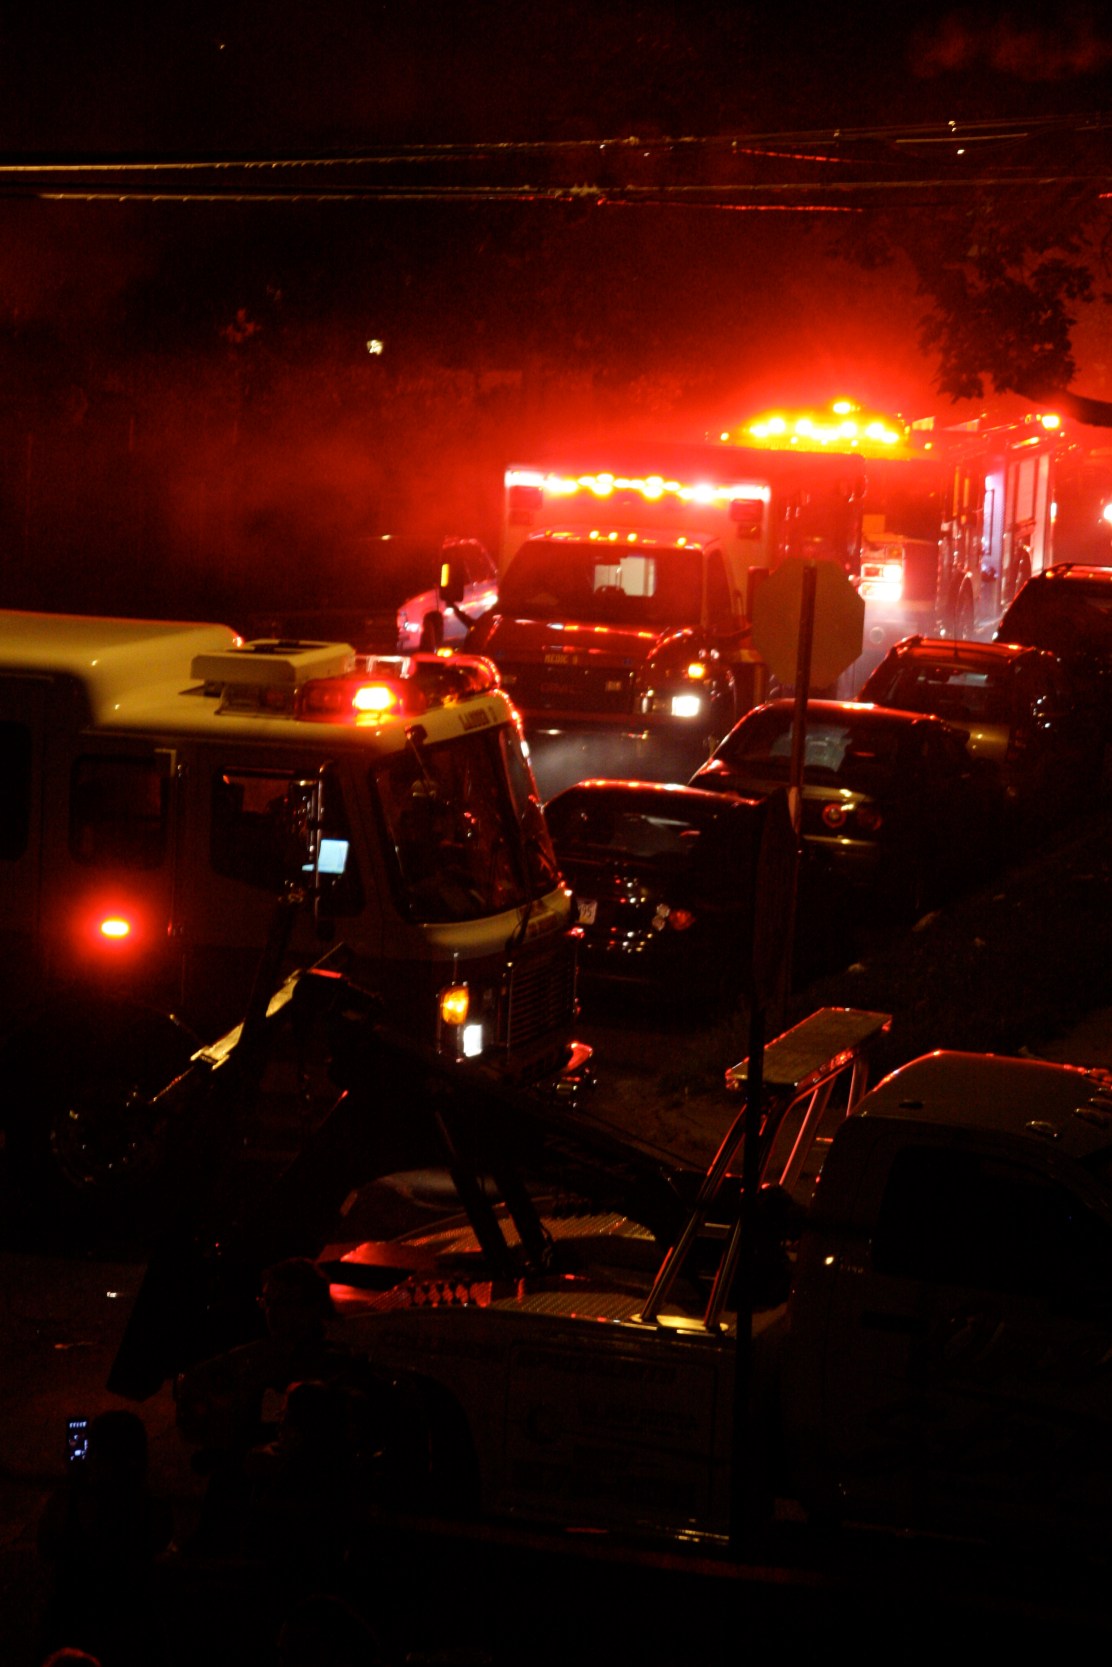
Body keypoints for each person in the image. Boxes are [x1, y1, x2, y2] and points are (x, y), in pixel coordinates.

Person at [36, 1410, 173, 1667]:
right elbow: (160, 1540)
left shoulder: (68, 1504)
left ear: (95, 1454)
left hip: (72, 1624)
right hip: (135, 1625)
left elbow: (46, 1546)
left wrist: (77, 1484)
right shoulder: (153, 1507)